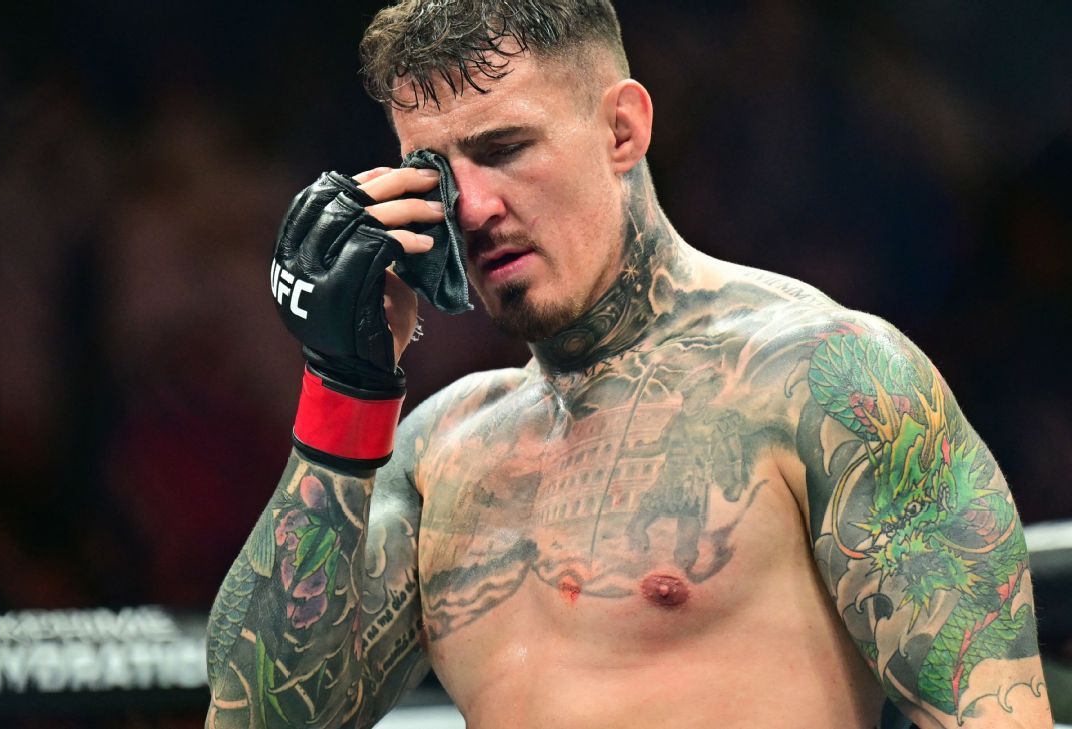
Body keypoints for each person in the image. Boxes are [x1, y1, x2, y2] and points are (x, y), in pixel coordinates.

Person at [206, 2, 1054, 727]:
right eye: (436, 174)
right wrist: (344, 390)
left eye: (504, 148)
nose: (473, 206)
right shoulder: (440, 454)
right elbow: (257, 717)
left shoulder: (829, 381)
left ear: (622, 128)